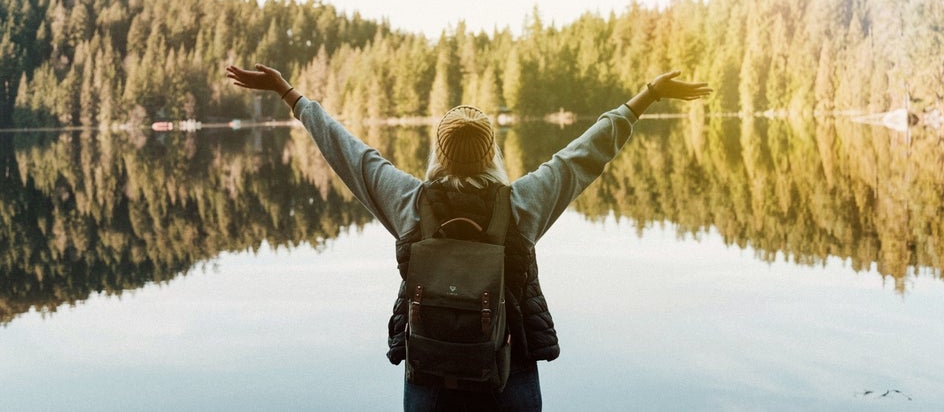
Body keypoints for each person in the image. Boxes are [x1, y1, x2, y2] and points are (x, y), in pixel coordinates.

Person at [226, 63, 711, 411]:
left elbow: (347, 152)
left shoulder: (411, 203)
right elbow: (586, 153)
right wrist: (648, 94)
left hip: (431, 371)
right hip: (509, 368)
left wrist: (289, 94)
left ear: (439, 152)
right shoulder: (521, 205)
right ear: (491, 153)